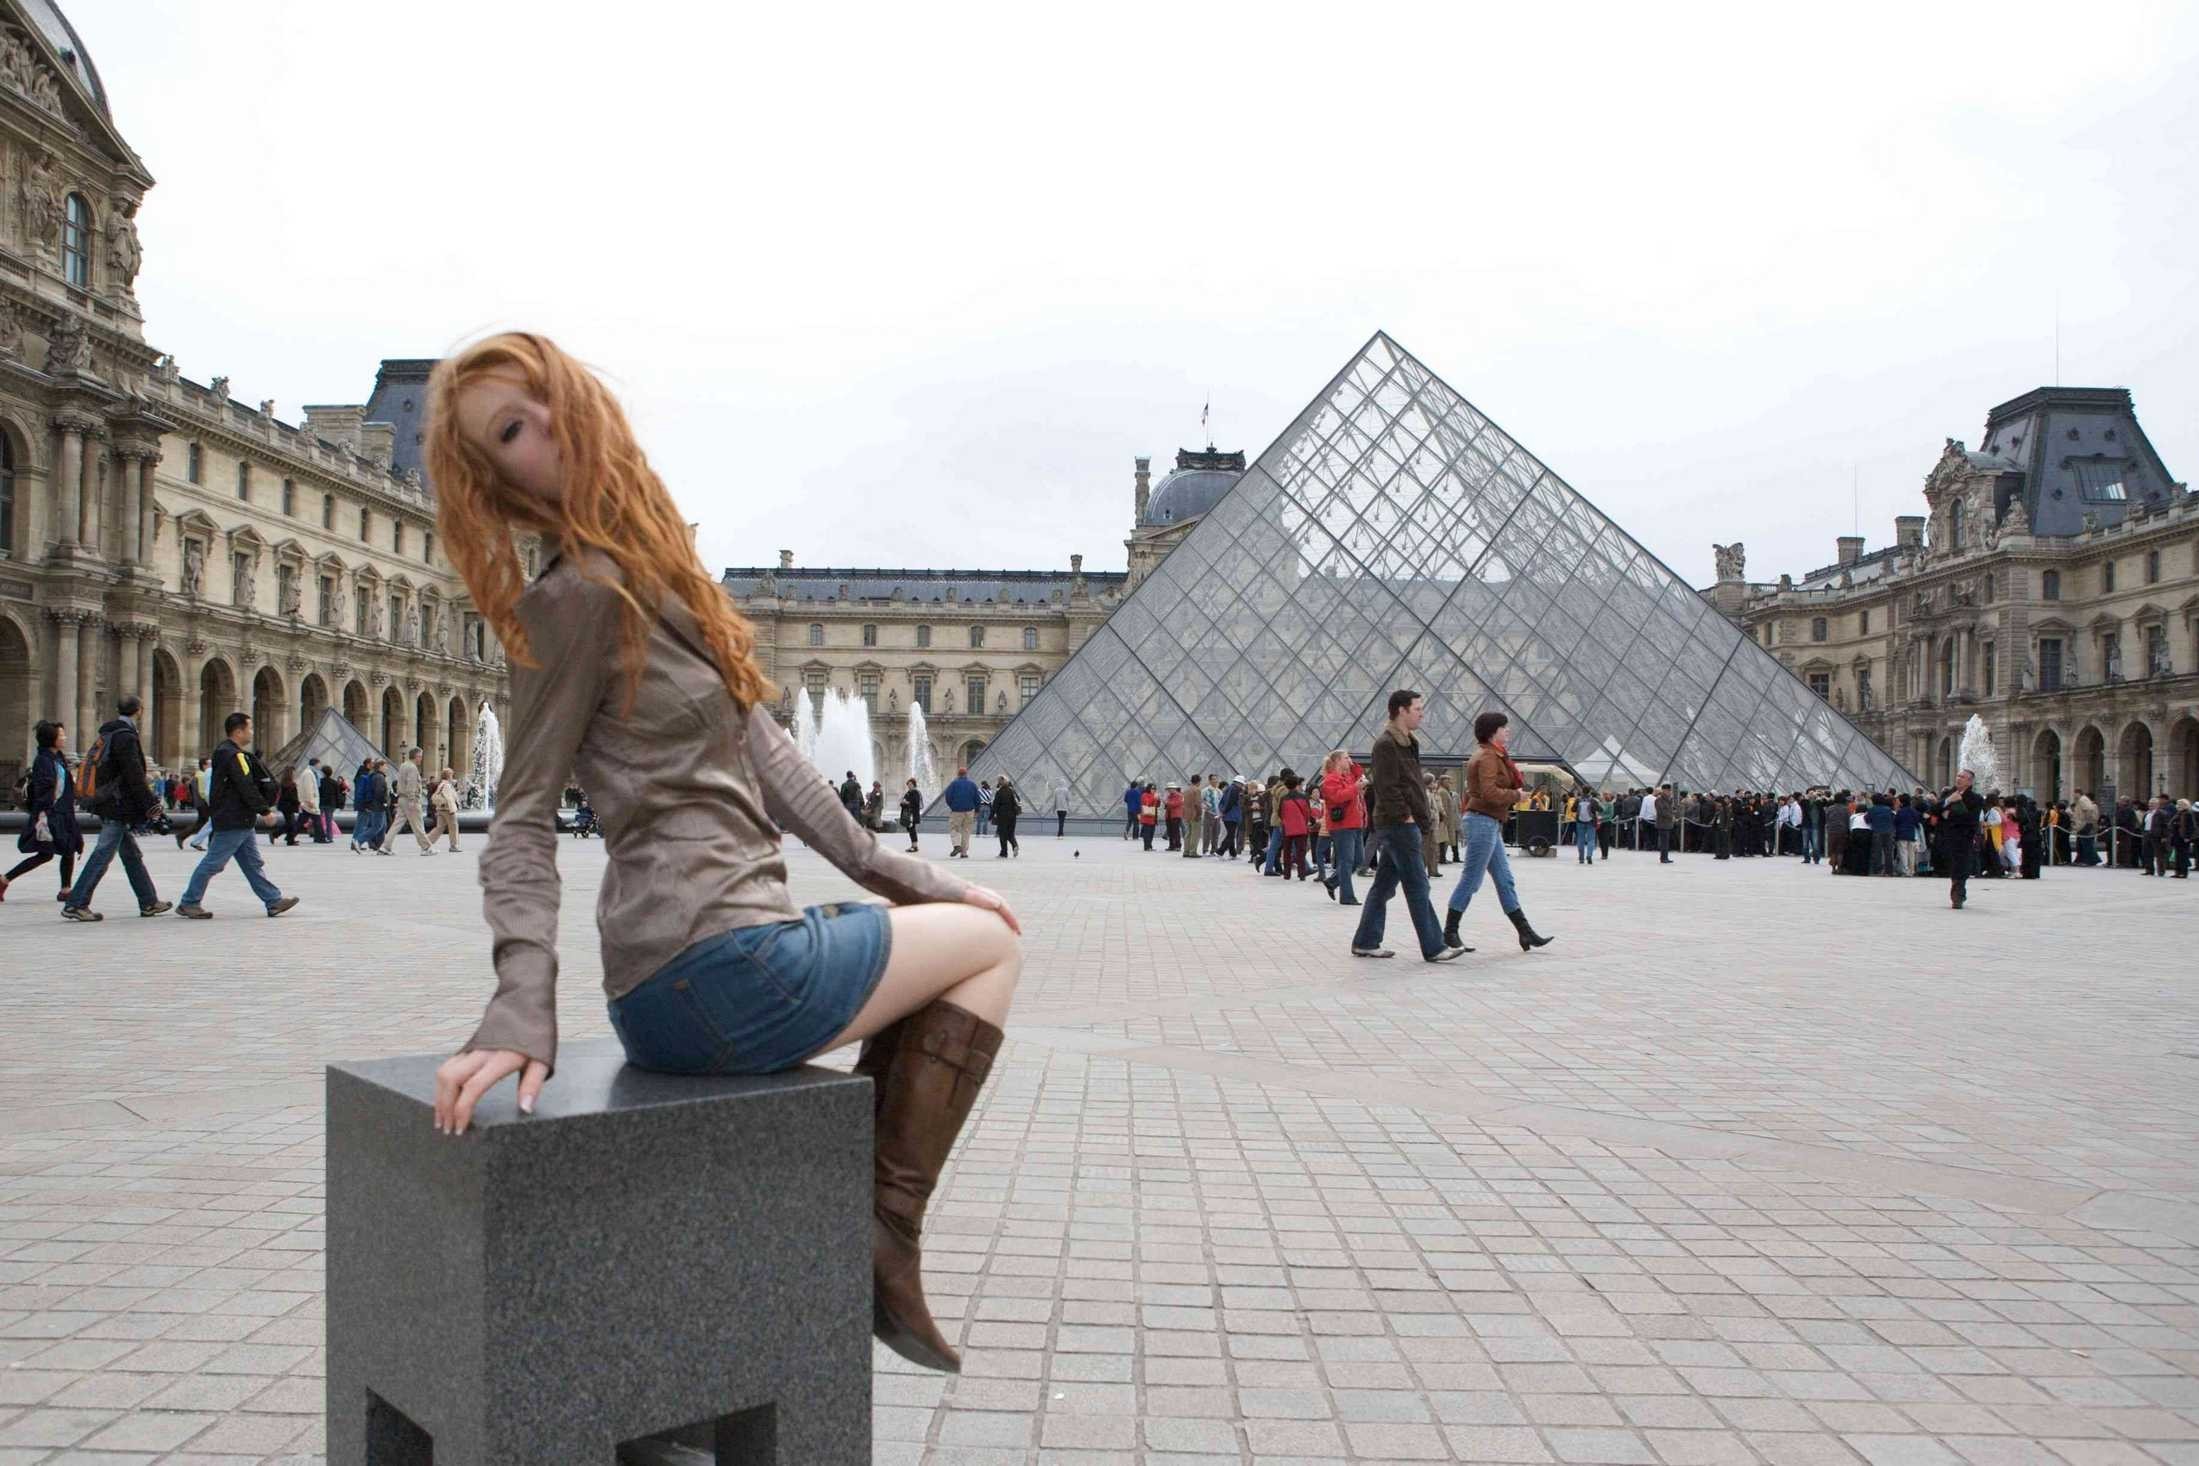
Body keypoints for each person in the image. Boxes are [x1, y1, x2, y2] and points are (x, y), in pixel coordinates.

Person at [423, 331, 1022, 1374]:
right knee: (993, 949)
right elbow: (518, 815)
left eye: (544, 401)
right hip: (716, 967)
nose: (545, 430)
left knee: (972, 922)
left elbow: (780, 765)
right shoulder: (573, 598)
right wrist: (521, 1001)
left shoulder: (647, 573)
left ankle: (862, 1222)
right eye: (509, 432)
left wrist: (918, 877)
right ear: (495, 481)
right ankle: (882, 1231)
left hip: (701, 969)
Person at [1350, 690, 1465, 964]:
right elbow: (1387, 787)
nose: (1422, 713)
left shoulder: (1406, 742)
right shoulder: (1386, 744)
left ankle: (1365, 941)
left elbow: (1408, 783)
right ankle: (1434, 946)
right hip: (1398, 824)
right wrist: (1406, 816)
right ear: (1401, 710)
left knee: (1383, 886)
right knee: (1417, 885)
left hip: (1401, 823)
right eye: (1417, 708)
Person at [1442, 711, 1553, 954]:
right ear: (1493, 731)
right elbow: (1489, 792)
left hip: (1489, 822)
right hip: (1482, 821)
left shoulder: (1492, 755)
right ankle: (1449, 931)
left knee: (1505, 880)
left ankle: (1525, 932)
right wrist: (1516, 795)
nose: (1508, 731)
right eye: (1505, 728)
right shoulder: (1488, 757)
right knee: (1472, 879)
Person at [176, 712, 301, 920]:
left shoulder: (225, 752)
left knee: (252, 864)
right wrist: (264, 809)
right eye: (249, 728)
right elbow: (246, 785)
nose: (252, 732)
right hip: (234, 818)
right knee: (213, 862)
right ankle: (189, 902)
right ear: (239, 731)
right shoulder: (235, 755)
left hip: (239, 818)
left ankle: (273, 900)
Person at [62, 696, 171, 921]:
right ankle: (76, 903)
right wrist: (152, 805)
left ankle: (148, 901)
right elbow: (134, 775)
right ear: (139, 710)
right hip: (117, 804)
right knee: (103, 853)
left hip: (109, 801)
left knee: (131, 855)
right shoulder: (126, 737)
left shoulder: (109, 733)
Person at [3, 720, 82, 904]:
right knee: (46, 853)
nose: (64, 737)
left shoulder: (58, 758)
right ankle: (4, 880)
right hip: (50, 813)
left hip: (63, 812)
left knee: (68, 848)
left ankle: (65, 889)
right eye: (61, 735)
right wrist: (42, 814)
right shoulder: (43, 760)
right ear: (51, 738)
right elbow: (44, 790)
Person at [1318, 752, 1364, 906]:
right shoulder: (1330, 780)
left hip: (1354, 823)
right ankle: (1347, 896)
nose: (1350, 760)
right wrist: (1355, 788)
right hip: (1342, 825)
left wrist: (1352, 765)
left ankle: (1332, 882)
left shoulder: (1347, 777)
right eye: (1346, 758)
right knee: (1347, 861)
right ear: (1337, 761)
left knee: (1358, 860)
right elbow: (1338, 797)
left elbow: (1358, 774)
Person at [1940, 771, 1984, 909]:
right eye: (1958, 776)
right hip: (1948, 837)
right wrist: (1948, 801)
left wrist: (1949, 814)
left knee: (1961, 866)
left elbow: (1971, 819)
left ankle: (1957, 896)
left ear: (1970, 782)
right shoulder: (1949, 794)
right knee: (1953, 866)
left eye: (1962, 777)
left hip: (1964, 837)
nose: (1958, 778)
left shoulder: (1976, 798)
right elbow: (1935, 809)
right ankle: (1958, 892)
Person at [1276, 773, 1314, 879]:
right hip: (1301, 827)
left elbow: (1280, 813)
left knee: (1287, 851)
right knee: (1300, 852)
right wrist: (1304, 822)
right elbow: (1307, 812)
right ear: (1297, 784)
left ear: (1287, 786)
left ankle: (1287, 874)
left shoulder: (1284, 798)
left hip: (1287, 828)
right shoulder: (1303, 797)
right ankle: (1301, 874)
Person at [941, 766, 980, 858]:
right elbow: (977, 798)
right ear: (966, 774)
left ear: (958, 774)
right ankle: (964, 853)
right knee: (966, 831)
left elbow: (948, 797)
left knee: (954, 828)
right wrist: (977, 810)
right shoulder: (972, 784)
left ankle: (957, 845)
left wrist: (952, 805)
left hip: (957, 810)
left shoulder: (953, 784)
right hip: (969, 810)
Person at [431, 767, 463, 851]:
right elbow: (449, 798)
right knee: (453, 827)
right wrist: (452, 810)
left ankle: (427, 842)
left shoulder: (441, 784)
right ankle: (454, 846)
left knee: (439, 828)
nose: (452, 776)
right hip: (448, 810)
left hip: (440, 809)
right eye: (451, 775)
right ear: (449, 776)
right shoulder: (447, 785)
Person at [992, 776, 1020, 858]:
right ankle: (1015, 845)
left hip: (1002, 815)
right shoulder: (1012, 791)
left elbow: (995, 805)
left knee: (1002, 834)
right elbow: (1018, 801)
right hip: (1012, 815)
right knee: (1010, 833)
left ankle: (1004, 852)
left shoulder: (999, 792)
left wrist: (991, 815)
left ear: (1000, 783)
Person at [298, 758, 324, 843]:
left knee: (301, 821)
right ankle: (320, 838)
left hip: (309, 802)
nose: (320, 766)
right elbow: (308, 788)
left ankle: (289, 836)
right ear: (316, 764)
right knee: (317, 821)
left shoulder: (311, 772)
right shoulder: (309, 773)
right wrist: (310, 801)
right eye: (319, 764)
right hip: (310, 802)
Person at [276, 767, 303, 846]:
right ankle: (289, 840)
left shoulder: (283, 783)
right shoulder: (291, 785)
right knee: (291, 823)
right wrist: (299, 803)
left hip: (284, 805)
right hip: (289, 806)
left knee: (290, 823)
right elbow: (292, 797)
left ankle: (287, 838)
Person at [1653, 781, 1678, 863]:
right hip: (1662, 823)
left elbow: (1670, 810)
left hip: (1667, 824)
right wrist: (1671, 817)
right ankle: (1663, 858)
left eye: (1670, 791)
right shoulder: (1659, 800)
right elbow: (1661, 812)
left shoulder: (1669, 800)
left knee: (1666, 842)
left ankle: (1665, 857)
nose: (1669, 792)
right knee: (1664, 842)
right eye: (1668, 790)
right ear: (1663, 790)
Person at [1181, 774, 1203, 859]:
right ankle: (1193, 851)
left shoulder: (1186, 790)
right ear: (1198, 781)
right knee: (1195, 834)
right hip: (1194, 814)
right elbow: (1197, 804)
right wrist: (1199, 814)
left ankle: (1186, 851)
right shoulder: (1197, 790)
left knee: (1188, 833)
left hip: (1186, 814)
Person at [1573, 786, 1597, 864]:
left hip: (1580, 821)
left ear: (1582, 791)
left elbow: (1572, 809)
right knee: (1591, 839)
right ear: (1590, 791)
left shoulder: (1578, 800)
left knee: (1580, 839)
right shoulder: (1593, 800)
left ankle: (1581, 858)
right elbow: (1601, 809)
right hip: (1591, 821)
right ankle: (1589, 855)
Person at [899, 778, 923, 852]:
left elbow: (916, 803)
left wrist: (907, 803)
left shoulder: (915, 792)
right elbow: (902, 802)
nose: (909, 786)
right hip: (908, 814)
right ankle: (913, 845)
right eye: (908, 785)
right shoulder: (908, 792)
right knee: (910, 829)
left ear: (914, 784)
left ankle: (915, 846)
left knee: (912, 829)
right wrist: (903, 803)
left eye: (910, 784)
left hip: (913, 814)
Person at [1138, 781, 1159, 850]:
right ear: (1149, 788)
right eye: (1152, 788)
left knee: (1151, 833)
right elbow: (1147, 804)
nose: (1154, 790)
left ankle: (1149, 846)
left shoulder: (1154, 795)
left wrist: (1158, 799)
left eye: (1155, 789)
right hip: (1147, 817)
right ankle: (1146, 846)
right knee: (1147, 833)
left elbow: (1157, 805)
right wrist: (1155, 799)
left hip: (1153, 816)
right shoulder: (1145, 795)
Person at [1162, 782, 1183, 851]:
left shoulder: (1179, 795)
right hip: (1168, 815)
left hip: (1176, 815)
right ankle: (1171, 845)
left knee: (1176, 831)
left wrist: (1166, 802)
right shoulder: (1168, 796)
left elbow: (1175, 804)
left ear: (1174, 789)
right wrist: (1165, 803)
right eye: (1168, 789)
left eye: (1170, 788)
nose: (1169, 790)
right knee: (1170, 831)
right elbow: (1167, 805)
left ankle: (1178, 845)